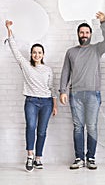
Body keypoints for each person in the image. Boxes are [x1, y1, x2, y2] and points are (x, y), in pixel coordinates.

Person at [5, 20, 57, 172]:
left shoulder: (48, 69)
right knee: (31, 126)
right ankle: (29, 156)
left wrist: (54, 105)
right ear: (31, 54)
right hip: (31, 102)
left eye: (39, 52)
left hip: (47, 102)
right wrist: (9, 29)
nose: (36, 54)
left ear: (43, 55)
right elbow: (14, 49)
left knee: (42, 130)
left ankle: (38, 158)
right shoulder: (25, 65)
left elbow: (52, 88)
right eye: (34, 52)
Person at [59, 11, 105, 170]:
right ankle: (79, 158)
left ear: (90, 34)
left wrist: (103, 23)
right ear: (78, 34)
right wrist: (62, 91)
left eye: (87, 32)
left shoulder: (97, 49)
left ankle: (91, 158)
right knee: (78, 127)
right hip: (75, 95)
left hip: (93, 94)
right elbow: (65, 72)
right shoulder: (71, 52)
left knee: (92, 126)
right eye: (82, 32)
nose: (84, 34)